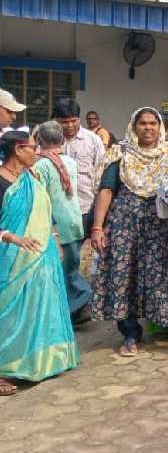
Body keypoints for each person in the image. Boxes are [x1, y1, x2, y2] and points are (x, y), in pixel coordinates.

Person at [90, 108, 168, 356]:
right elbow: (106, 190)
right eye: (142, 123)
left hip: (160, 225)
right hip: (125, 224)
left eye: (153, 123)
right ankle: (130, 333)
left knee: (164, 275)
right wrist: (97, 227)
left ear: (159, 127)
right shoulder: (121, 153)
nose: (148, 128)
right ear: (133, 126)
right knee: (126, 276)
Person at [0, 131, 80, 397]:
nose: (37, 152)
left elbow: (45, 214)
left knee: (36, 307)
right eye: (33, 148)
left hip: (40, 256)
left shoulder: (31, 178)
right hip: (9, 259)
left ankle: (39, 362)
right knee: (10, 314)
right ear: (17, 150)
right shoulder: (1, 182)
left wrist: (54, 241)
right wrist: (12, 238)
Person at [33, 121, 90, 320]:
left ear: (39, 140)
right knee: (71, 267)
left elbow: (39, 197)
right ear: (63, 139)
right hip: (73, 222)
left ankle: (80, 300)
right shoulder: (70, 161)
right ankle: (76, 309)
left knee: (62, 272)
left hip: (56, 227)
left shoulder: (41, 165)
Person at [55, 98, 105, 231]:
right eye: (65, 122)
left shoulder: (93, 141)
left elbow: (101, 175)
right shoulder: (48, 140)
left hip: (85, 209)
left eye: (74, 121)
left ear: (79, 118)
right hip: (56, 211)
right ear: (57, 121)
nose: (70, 125)